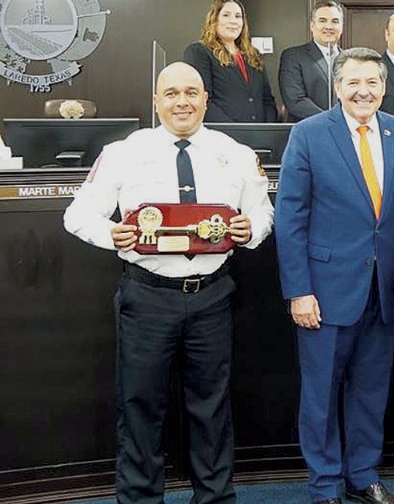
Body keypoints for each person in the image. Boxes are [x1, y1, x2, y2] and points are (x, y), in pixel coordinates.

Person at [63, 62, 274, 504]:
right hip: (147, 298)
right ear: (156, 101)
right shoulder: (124, 151)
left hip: (212, 296)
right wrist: (111, 234)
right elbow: (77, 215)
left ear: (205, 100)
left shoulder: (233, 151)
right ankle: (140, 500)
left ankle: (214, 498)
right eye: (172, 93)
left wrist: (248, 231)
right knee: (140, 407)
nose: (182, 102)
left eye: (191, 93)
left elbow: (262, 213)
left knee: (212, 407)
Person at [275, 47, 394, 504]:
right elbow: (291, 217)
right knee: (320, 396)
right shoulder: (308, 133)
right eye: (353, 82)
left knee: (371, 391)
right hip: (325, 290)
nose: (364, 91)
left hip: (385, 289)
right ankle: (325, 486)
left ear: (384, 87)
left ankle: (363, 476)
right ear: (337, 87)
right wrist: (299, 291)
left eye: (372, 83)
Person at [183, 0, 278, 123]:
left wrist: (268, 131)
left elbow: (267, 100)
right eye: (226, 15)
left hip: (259, 136)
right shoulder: (199, 52)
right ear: (214, 19)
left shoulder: (253, 54)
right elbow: (202, 100)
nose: (233, 21)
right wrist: (234, 133)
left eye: (238, 16)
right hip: (222, 135)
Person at [279, 0, 344, 122]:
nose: (329, 26)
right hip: (309, 130)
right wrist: (331, 121)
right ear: (312, 25)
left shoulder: (351, 59)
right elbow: (295, 101)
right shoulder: (293, 56)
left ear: (341, 26)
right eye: (322, 21)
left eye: (335, 21)